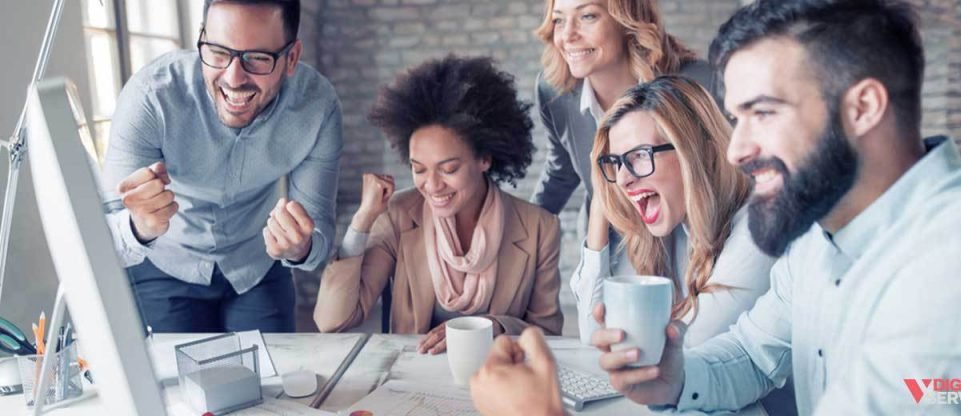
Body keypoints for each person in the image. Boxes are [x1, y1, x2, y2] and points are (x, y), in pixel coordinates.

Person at [471, 1, 961, 414]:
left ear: (863, 107)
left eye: (762, 113)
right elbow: (754, 352)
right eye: (737, 117)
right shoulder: (817, 236)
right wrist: (674, 377)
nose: (736, 149)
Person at [101, 0, 343, 333]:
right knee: (172, 385)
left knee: (272, 381)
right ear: (201, 38)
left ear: (292, 58)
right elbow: (104, 239)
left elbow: (320, 236)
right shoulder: (151, 96)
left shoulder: (318, 107)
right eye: (217, 52)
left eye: (257, 58)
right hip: (164, 265)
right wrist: (139, 225)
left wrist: (301, 247)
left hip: (257, 268)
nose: (233, 77)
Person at [313, 56, 563, 354]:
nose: (432, 185)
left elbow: (548, 335)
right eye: (419, 169)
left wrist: (495, 327)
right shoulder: (398, 216)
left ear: (484, 159)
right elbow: (333, 321)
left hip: (499, 376)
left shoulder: (539, 228)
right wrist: (362, 221)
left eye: (448, 169)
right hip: (417, 377)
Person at [574, 75, 772, 348]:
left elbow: (688, 348)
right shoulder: (666, 228)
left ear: (695, 151)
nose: (622, 179)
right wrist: (600, 206)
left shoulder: (759, 224)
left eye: (640, 155)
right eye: (615, 162)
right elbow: (594, 336)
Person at [530, 0, 717, 232]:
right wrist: (523, 232)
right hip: (607, 239)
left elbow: (730, 178)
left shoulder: (700, 83)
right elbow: (562, 169)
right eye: (558, 20)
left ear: (627, 20)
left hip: (692, 234)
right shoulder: (553, 91)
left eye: (587, 16)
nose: (568, 35)